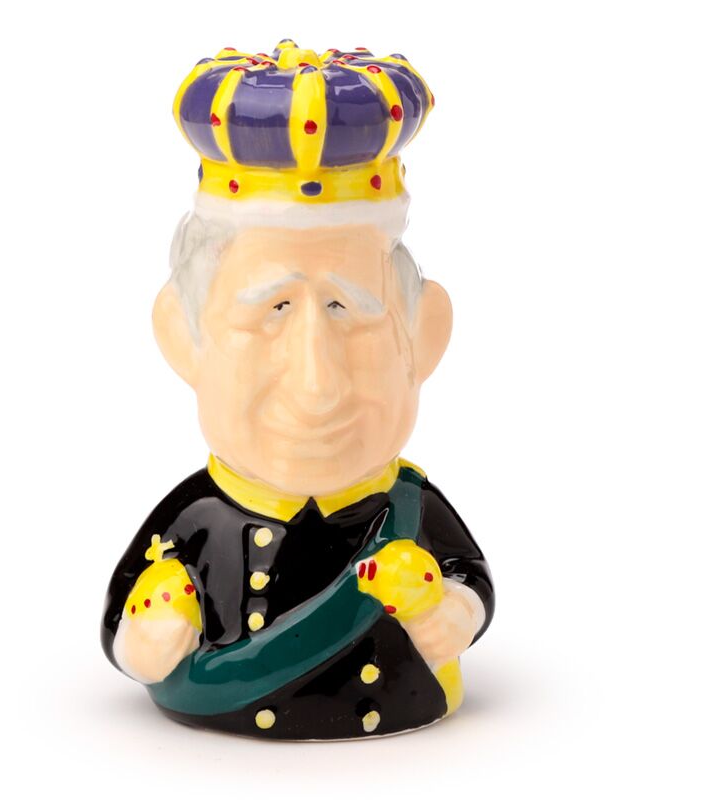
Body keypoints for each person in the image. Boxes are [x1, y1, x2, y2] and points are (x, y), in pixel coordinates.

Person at [101, 41, 494, 740]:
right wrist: (147, 638)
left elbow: (470, 584)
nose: (317, 388)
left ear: (423, 338)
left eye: (349, 313)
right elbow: (122, 630)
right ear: (184, 341)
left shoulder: (408, 508)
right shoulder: (197, 520)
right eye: (271, 313)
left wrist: (447, 612)